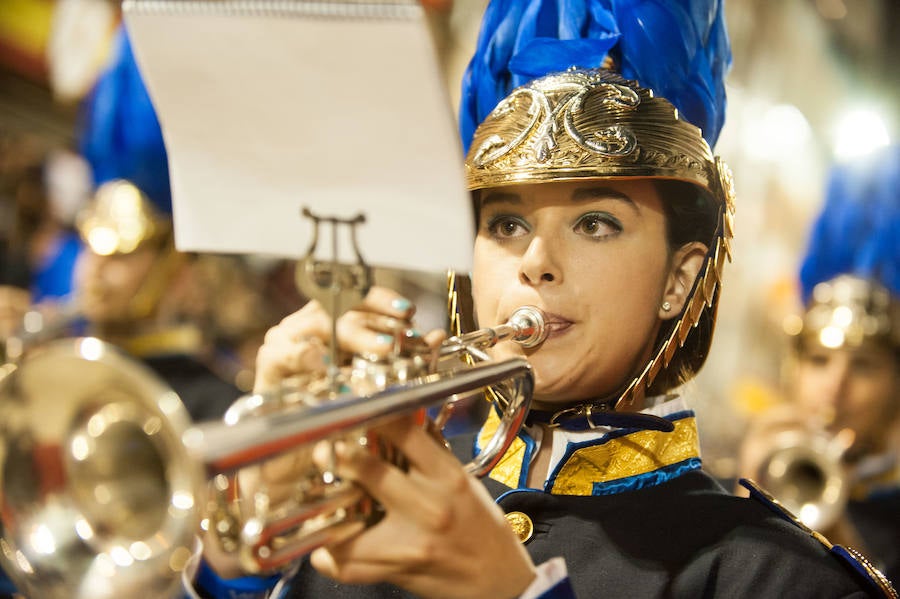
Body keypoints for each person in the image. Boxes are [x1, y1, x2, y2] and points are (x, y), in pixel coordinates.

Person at [182, 0, 898, 596]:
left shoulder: (774, 576)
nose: (535, 261)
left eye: (595, 223)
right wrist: (249, 540)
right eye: (506, 223)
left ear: (678, 281)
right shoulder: (372, 495)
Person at [737, 144, 900, 585]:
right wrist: (738, 506)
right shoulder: (743, 461)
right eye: (819, 360)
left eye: (864, 366)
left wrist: (835, 528)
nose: (835, 386)